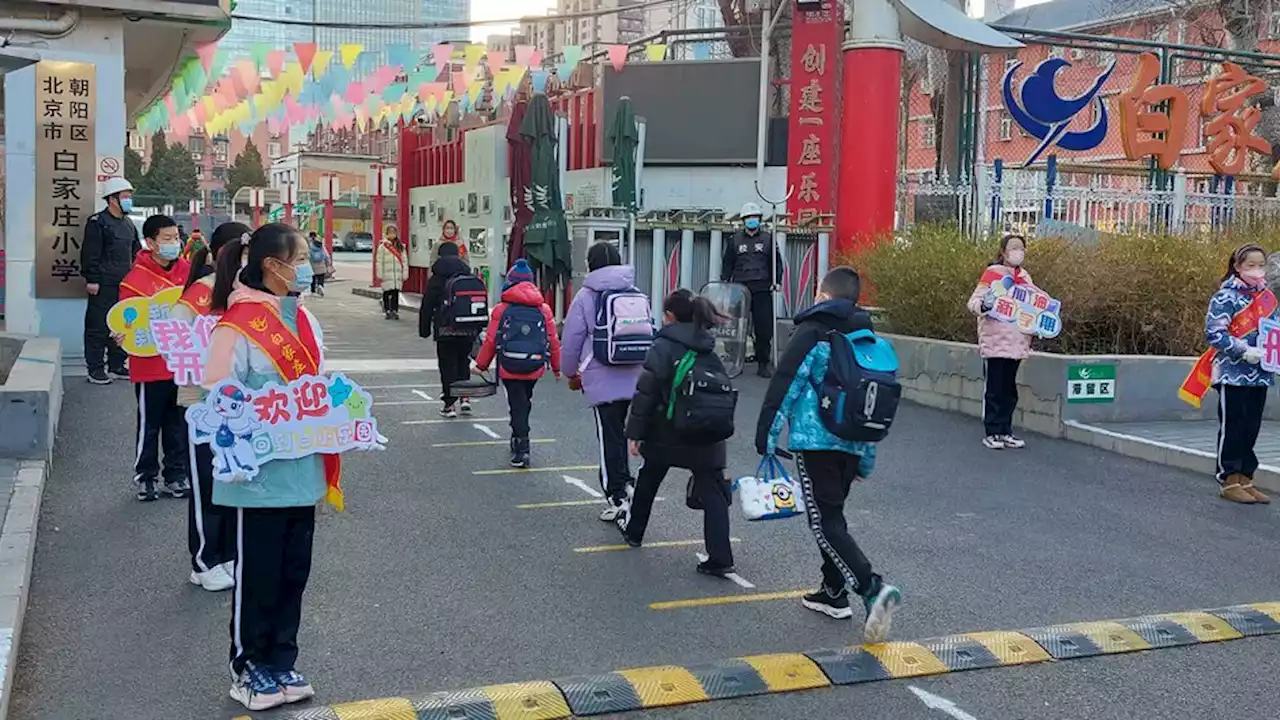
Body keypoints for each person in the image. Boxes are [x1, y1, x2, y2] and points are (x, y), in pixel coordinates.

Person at [203, 223, 326, 711]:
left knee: (294, 571)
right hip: (257, 476)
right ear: (273, 266)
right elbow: (218, 393)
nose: (308, 266)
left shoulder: (305, 320)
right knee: (258, 574)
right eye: (300, 258)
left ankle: (281, 659)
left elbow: (321, 386)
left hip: (302, 470)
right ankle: (247, 665)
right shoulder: (236, 326)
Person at [755, 266, 902, 642]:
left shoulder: (814, 329)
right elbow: (872, 399)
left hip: (815, 439)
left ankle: (872, 587)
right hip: (853, 442)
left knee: (824, 521)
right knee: (832, 516)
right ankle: (833, 592)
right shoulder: (866, 336)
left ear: (822, 294)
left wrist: (767, 436)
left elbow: (786, 382)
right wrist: (865, 461)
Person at [621, 289, 735, 577]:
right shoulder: (709, 345)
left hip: (667, 430)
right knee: (714, 492)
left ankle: (634, 532)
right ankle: (720, 556)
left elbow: (646, 392)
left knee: (649, 477)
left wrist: (635, 432)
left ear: (670, 316)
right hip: (707, 432)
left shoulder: (663, 345)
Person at [172, 221, 250, 592]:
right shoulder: (200, 293)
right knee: (206, 481)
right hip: (201, 402)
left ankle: (230, 554)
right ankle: (204, 560)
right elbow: (174, 341)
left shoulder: (246, 292)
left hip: (240, 403)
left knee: (234, 477)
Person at [560, 242, 644, 521]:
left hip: (601, 377)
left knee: (609, 437)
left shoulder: (585, 296)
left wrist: (570, 372)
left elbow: (571, 340)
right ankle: (627, 484)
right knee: (623, 431)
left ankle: (617, 493)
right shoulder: (634, 292)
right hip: (633, 374)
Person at [118, 215, 193, 501]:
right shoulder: (134, 280)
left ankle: (176, 474)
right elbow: (125, 321)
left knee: (178, 423)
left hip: (182, 362)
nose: (175, 243)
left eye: (176, 237)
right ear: (150, 243)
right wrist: (120, 335)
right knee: (150, 424)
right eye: (167, 239)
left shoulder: (188, 272)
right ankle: (146, 477)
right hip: (150, 365)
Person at [1198, 244, 1277, 504]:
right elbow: (1215, 334)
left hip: (1261, 372)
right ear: (1237, 267)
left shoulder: (1268, 298)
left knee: (1252, 427)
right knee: (1233, 425)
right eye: (1250, 265)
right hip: (1233, 372)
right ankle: (1229, 479)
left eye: (1260, 265)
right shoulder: (1225, 297)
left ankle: (1246, 478)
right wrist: (1242, 350)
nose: (1256, 270)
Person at [473, 259, 562, 467]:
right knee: (525, 402)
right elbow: (553, 341)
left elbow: (491, 340)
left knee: (517, 405)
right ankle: (519, 438)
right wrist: (557, 368)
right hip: (535, 364)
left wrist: (481, 365)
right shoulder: (544, 309)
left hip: (509, 365)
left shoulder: (501, 309)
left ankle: (522, 446)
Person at [966, 234, 1036, 450]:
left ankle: (1006, 431)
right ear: (1003, 252)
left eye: (1021, 248)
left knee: (1009, 390)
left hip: (1016, 343)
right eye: (1013, 248)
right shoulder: (992, 274)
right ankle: (992, 431)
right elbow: (974, 303)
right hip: (996, 342)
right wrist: (985, 305)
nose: (1018, 252)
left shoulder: (1025, 277)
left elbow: (1035, 306)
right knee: (994, 389)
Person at [81, 177, 142, 384]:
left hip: (124, 284)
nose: (128, 200)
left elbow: (136, 253)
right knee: (98, 326)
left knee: (121, 325)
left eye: (129, 196)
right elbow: (90, 253)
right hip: (103, 283)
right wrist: (92, 279)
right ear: (112, 199)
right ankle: (95, 368)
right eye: (125, 196)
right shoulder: (98, 222)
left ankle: (117, 364)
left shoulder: (128, 225)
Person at [721, 202, 784, 378]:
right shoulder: (735, 240)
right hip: (740, 289)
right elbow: (728, 263)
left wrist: (777, 281)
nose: (751, 220)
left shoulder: (768, 239)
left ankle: (763, 363)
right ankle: (735, 361)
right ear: (743, 220)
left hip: (762, 288)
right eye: (748, 218)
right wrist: (725, 282)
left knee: (763, 328)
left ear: (759, 219)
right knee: (737, 327)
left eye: (754, 217)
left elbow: (776, 262)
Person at [421, 240, 479, 417]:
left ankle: (450, 405)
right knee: (464, 363)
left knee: (447, 366)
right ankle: (465, 399)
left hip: (445, 329)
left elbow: (427, 305)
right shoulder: (467, 276)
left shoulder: (437, 279)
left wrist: (424, 329)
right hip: (467, 329)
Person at [376, 225, 406, 319]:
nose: (392, 235)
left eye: (394, 233)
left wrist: (404, 272)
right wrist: (380, 272)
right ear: (386, 234)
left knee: (395, 293)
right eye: (390, 233)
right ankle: (387, 310)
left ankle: (394, 310)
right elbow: (379, 261)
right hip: (387, 273)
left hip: (397, 274)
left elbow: (404, 260)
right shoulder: (383, 247)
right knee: (386, 292)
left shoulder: (400, 246)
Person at [307, 232, 331, 297]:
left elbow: (307, 255)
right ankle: (320, 286)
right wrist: (328, 262)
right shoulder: (321, 245)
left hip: (312, 265)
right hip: (321, 264)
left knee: (313, 278)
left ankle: (313, 291)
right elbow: (326, 254)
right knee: (321, 277)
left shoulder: (310, 246)